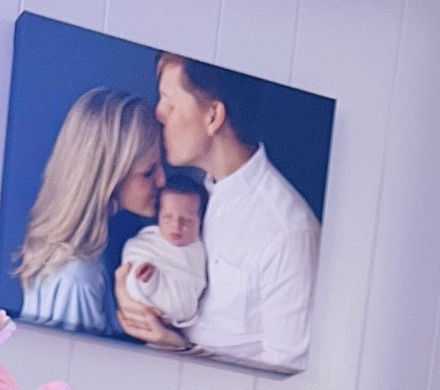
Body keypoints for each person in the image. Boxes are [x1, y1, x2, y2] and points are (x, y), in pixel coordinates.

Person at [115, 53, 320, 372]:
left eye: (169, 101)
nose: (158, 113)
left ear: (213, 116)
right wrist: (133, 295)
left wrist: (179, 347)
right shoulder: (187, 194)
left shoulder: (287, 232)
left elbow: (287, 376)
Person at [17, 89, 163, 335]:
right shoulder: (77, 278)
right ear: (107, 177)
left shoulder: (86, 260)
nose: (162, 180)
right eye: (148, 172)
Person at [117, 171, 207, 329]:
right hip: (143, 310)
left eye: (187, 221)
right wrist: (145, 280)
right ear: (158, 216)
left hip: (180, 321)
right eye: (167, 217)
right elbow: (129, 269)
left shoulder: (199, 251)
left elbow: (190, 298)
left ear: (201, 222)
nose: (176, 226)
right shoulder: (146, 244)